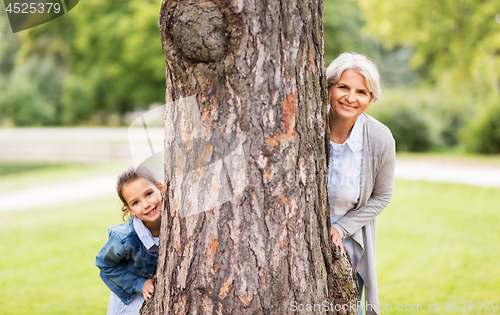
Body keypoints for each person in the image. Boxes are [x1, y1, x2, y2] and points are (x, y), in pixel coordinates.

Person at [326, 52, 395, 315]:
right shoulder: (305, 124)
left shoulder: (380, 138)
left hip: (347, 254)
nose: (350, 98)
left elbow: (382, 196)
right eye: (343, 87)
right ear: (329, 87)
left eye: (361, 92)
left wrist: (341, 228)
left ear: (371, 98)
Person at [96, 166, 163, 314]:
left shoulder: (175, 224)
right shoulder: (124, 239)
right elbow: (104, 264)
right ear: (130, 209)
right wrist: (140, 283)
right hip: (130, 304)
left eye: (149, 194)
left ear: (161, 188)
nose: (146, 204)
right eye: (135, 203)